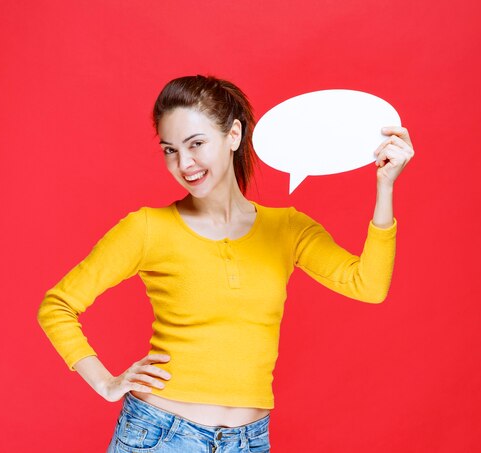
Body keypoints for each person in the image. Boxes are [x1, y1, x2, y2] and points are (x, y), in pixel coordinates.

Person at [37, 74, 414, 452]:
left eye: (196, 144)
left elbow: (369, 285)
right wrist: (105, 382)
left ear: (233, 135)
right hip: (160, 437)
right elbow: (57, 306)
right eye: (170, 150)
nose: (185, 163)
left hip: (248, 442)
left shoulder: (287, 228)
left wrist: (385, 187)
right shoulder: (147, 228)